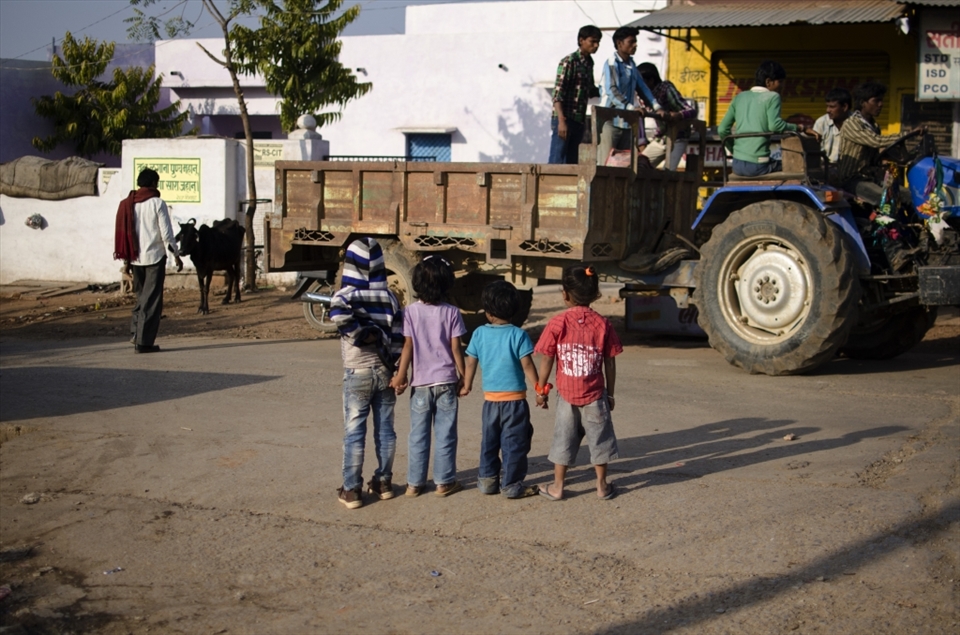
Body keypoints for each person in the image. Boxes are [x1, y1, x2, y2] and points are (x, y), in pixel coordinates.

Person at [328, 237, 405, 509]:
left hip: (357, 372)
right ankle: (383, 482)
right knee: (386, 431)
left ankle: (352, 490)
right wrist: (395, 366)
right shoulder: (390, 298)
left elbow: (337, 314)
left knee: (354, 433)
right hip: (385, 373)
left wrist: (361, 334)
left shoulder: (345, 296)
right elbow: (398, 338)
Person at [535, 265, 622, 501]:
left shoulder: (557, 323)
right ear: (595, 293)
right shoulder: (603, 324)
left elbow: (547, 358)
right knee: (600, 438)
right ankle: (602, 486)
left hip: (565, 394)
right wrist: (610, 394)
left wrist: (541, 390)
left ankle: (557, 486)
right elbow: (610, 363)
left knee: (563, 437)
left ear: (565, 294)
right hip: (595, 394)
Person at [390, 256, 467, 497]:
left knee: (418, 435)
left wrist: (401, 377)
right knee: (446, 434)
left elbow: (408, 347)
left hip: (420, 384)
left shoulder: (410, 312)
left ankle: (414, 484)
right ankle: (444, 482)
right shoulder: (452, 312)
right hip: (446, 382)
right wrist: (463, 377)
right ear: (446, 284)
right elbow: (456, 348)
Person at [460, 280, 542, 499]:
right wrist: (539, 388)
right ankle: (512, 485)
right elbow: (527, 365)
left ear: (488, 313)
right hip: (515, 402)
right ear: (514, 309)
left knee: (489, 442)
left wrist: (466, 385)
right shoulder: (518, 335)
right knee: (514, 444)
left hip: (490, 403)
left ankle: (487, 481)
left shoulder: (478, 334)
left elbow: (470, 362)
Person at [114, 167, 183, 354]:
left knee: (141, 297)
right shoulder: (157, 203)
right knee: (152, 301)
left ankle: (136, 333)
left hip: (135, 259)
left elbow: (127, 234)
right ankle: (144, 342)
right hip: (154, 258)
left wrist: (126, 262)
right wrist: (176, 255)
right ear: (153, 183)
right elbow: (167, 234)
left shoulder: (128, 203)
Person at [717, 60, 816, 177]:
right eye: (780, 81)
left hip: (737, 165)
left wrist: (734, 151)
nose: (783, 86)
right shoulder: (772, 97)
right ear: (768, 82)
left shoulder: (739, 97)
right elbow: (775, 125)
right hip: (758, 166)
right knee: (802, 166)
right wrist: (800, 127)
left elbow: (722, 129)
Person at [836, 81, 924, 207]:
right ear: (863, 103)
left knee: (909, 195)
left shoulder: (874, 125)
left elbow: (880, 151)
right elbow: (875, 141)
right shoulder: (852, 124)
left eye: (881, 100)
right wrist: (907, 134)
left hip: (869, 178)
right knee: (887, 197)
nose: (881, 104)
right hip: (852, 180)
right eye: (876, 101)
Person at [598, 26, 661, 165]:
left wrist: (657, 107)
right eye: (631, 42)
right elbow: (612, 90)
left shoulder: (632, 65)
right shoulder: (612, 63)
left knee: (624, 163)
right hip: (610, 121)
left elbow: (643, 88)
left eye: (635, 42)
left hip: (626, 123)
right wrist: (630, 107)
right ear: (620, 43)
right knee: (606, 163)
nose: (635, 45)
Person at [549, 25, 602, 165]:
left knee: (572, 163)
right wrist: (561, 121)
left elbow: (590, 90)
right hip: (565, 119)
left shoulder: (589, 63)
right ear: (581, 40)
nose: (596, 46)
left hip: (578, 121)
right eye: (593, 42)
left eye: (598, 42)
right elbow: (557, 94)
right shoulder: (569, 61)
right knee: (557, 161)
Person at [637, 62, 697, 170]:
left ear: (651, 81)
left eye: (642, 83)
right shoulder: (643, 96)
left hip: (677, 136)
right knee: (640, 166)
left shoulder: (666, 89)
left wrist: (678, 115)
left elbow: (691, 110)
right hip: (662, 138)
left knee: (668, 172)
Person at [812, 87, 852, 164]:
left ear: (844, 107)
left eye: (832, 107)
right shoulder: (821, 123)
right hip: (826, 169)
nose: (828, 110)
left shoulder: (857, 123)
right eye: (827, 106)